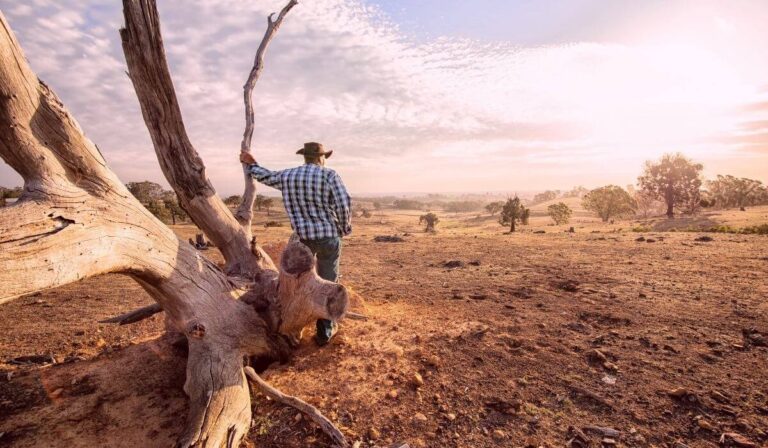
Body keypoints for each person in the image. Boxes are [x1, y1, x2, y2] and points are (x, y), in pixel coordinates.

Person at [240, 142, 352, 345]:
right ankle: (324, 332)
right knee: (328, 280)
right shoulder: (329, 175)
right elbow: (344, 203)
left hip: (303, 240)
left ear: (305, 157)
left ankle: (292, 324)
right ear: (321, 158)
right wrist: (344, 228)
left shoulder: (289, 175)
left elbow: (264, 176)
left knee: (301, 283)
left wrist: (251, 164)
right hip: (328, 236)